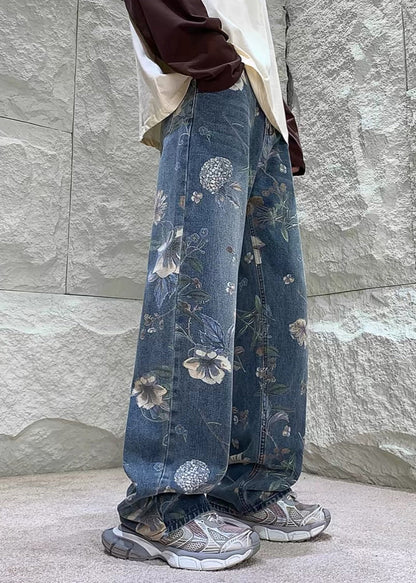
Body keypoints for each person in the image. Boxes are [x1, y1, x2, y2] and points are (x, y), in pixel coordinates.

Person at [101, 0, 331, 571]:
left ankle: (250, 485)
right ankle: (162, 504)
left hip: (259, 101)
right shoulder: (210, 68)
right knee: (194, 289)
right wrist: (205, 56)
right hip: (209, 83)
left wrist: (275, 111)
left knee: (273, 305)